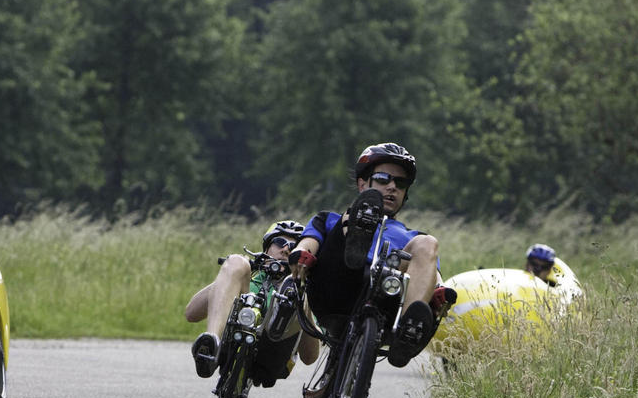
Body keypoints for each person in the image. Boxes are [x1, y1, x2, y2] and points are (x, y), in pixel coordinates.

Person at [289, 142, 446, 368]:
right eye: (383, 179)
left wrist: (441, 292)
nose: (392, 186)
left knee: (428, 243)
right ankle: (360, 227)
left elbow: (433, 277)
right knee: (348, 219)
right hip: (336, 290)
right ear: (363, 183)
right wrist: (300, 255)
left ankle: (408, 329)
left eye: (400, 183)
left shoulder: (414, 238)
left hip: (387, 300)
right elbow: (306, 245)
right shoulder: (329, 220)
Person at [186, 220, 320, 379]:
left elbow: (310, 357)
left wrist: (303, 300)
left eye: (293, 246)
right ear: (267, 248)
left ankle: (286, 305)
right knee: (236, 261)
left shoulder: (305, 290)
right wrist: (230, 274)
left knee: (292, 289)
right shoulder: (250, 275)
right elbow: (191, 314)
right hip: (232, 340)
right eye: (279, 242)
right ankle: (212, 341)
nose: (285, 249)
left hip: (275, 355)